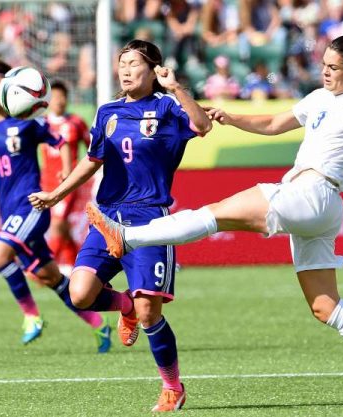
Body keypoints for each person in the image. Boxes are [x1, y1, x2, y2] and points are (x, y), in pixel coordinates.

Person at [80, 32, 343, 408]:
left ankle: (129, 237)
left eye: (334, 68)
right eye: (322, 65)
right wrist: (232, 117)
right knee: (325, 307)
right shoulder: (320, 98)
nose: (325, 73)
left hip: (313, 192)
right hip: (320, 209)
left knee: (216, 213)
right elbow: (272, 122)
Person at [28, 40, 212, 412]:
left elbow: (202, 125)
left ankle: (172, 386)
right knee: (80, 294)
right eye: (121, 64)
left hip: (150, 219)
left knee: (150, 315)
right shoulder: (107, 111)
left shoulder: (166, 108)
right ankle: (124, 303)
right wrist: (56, 195)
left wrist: (175, 87)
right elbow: (92, 160)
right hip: (109, 217)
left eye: (133, 64)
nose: (125, 70)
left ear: (154, 69)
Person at [0, 60, 112, 353]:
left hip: (33, 206)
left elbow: (63, 139)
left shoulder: (28, 121)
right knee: (50, 277)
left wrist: (65, 167)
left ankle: (31, 316)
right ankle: (98, 324)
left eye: (1, 84)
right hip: (10, 213)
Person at [41, 79, 90, 268]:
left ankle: (45, 268)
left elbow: (92, 148)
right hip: (47, 181)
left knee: (57, 223)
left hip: (69, 181)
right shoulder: (42, 123)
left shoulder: (77, 122)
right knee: (63, 228)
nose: (59, 101)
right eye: (55, 97)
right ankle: (75, 264)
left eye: (63, 97)